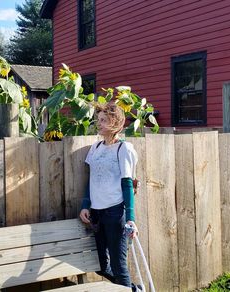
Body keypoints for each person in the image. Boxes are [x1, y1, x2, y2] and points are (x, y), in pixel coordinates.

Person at [79, 102, 139, 291]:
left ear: (115, 122)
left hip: (115, 212)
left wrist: (131, 218)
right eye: (99, 120)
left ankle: (129, 289)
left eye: (104, 120)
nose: (99, 123)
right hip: (96, 213)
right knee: (102, 266)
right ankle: (134, 290)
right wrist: (85, 205)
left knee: (119, 267)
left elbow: (127, 183)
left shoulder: (124, 149)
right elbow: (91, 180)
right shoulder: (95, 148)